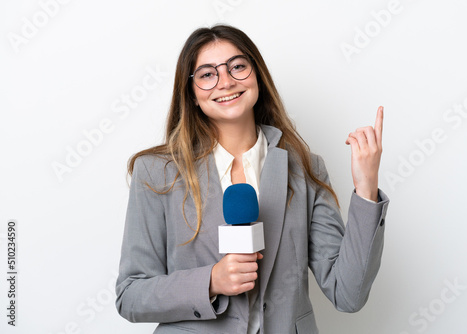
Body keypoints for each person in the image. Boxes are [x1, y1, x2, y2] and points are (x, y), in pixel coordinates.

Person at [115, 24, 389, 334]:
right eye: (207, 74)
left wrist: (366, 188)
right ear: (190, 93)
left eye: (237, 67)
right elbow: (131, 295)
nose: (226, 81)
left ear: (256, 74)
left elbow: (348, 293)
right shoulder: (156, 172)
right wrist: (211, 281)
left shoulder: (304, 168)